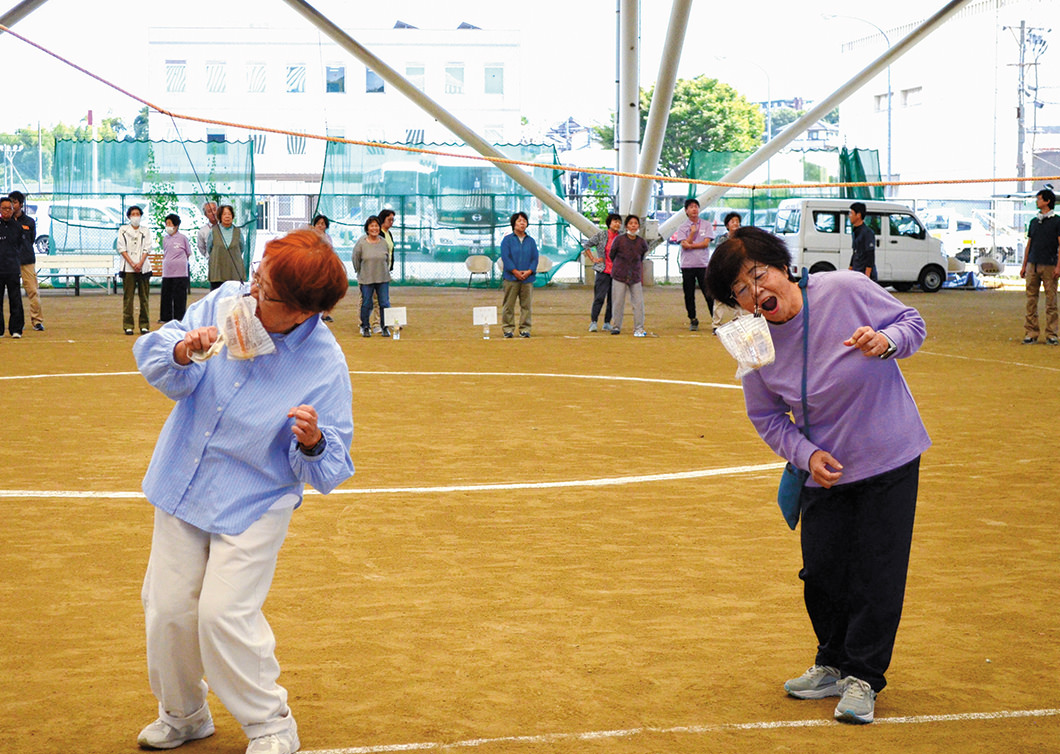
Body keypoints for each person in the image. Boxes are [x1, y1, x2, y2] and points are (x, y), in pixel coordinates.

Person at [132, 228, 354, 754]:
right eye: (257, 278)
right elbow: (160, 354)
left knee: (223, 613)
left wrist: (314, 441)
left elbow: (332, 468)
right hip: (184, 480)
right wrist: (185, 350)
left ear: (304, 312)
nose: (252, 294)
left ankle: (271, 724)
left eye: (267, 292)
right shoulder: (226, 302)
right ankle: (184, 715)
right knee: (167, 608)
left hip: (256, 498)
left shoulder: (325, 364)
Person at [705, 226, 930, 726]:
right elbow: (765, 416)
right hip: (823, 472)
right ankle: (831, 661)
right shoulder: (750, 339)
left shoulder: (844, 289)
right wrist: (806, 456)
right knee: (822, 573)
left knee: (877, 572)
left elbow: (911, 322)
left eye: (760, 275)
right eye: (740, 290)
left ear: (784, 268)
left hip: (888, 457)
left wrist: (887, 340)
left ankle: (864, 677)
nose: (757, 292)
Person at [1019, 188, 1060, 345]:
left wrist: (1058, 266)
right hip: (1033, 264)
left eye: (1039, 199)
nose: (1037, 201)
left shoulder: (1057, 221)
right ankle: (1031, 332)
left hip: (1049, 265)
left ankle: (1051, 334)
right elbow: (1029, 244)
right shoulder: (1034, 222)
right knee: (1031, 300)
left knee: (1051, 301)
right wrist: (1024, 265)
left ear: (1047, 201)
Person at [673, 198, 715, 331]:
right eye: (691, 207)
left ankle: (715, 320)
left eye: (696, 206)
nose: (694, 209)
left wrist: (691, 245)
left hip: (703, 265)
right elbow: (684, 245)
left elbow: (706, 243)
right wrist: (691, 233)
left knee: (708, 293)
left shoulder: (706, 225)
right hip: (687, 266)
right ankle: (693, 319)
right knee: (689, 294)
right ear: (686, 211)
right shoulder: (682, 227)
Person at [499, 210, 538, 338]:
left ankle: (525, 329)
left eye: (524, 221)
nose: (522, 223)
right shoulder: (507, 240)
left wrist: (529, 272)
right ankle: (508, 329)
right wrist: (515, 272)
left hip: (527, 279)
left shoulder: (531, 241)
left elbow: (535, 258)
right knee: (508, 305)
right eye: (519, 221)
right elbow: (506, 257)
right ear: (513, 224)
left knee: (526, 305)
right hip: (511, 278)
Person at [609, 214, 648, 337]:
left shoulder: (641, 242)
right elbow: (612, 255)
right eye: (631, 223)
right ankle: (616, 326)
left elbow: (641, 257)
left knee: (638, 303)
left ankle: (639, 328)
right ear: (626, 226)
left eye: (635, 223)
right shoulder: (619, 240)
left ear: (638, 226)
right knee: (618, 302)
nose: (633, 226)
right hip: (619, 274)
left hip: (635, 275)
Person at [582, 213, 622, 332]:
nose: (617, 224)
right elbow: (586, 245)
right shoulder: (601, 235)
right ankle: (593, 322)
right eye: (615, 221)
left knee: (612, 299)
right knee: (599, 297)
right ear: (609, 223)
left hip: (616, 272)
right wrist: (593, 259)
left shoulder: (621, 237)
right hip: (603, 270)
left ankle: (607, 322)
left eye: (619, 222)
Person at [9, 191, 43, 331]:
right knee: (12, 293)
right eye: (10, 202)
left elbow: (31, 240)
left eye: (15, 202)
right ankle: (15, 322)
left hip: (26, 261)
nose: (12, 205)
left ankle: (37, 321)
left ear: (21, 204)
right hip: (8, 262)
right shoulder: (5, 222)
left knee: (33, 291)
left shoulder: (29, 222)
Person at [352, 215, 391, 338]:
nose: (374, 228)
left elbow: (387, 260)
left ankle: (384, 327)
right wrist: (360, 272)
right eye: (372, 226)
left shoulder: (384, 243)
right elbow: (355, 259)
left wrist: (385, 271)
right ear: (367, 228)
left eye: (376, 226)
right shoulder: (361, 243)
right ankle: (365, 327)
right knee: (366, 303)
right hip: (366, 278)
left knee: (384, 303)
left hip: (383, 278)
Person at [117, 205, 152, 335]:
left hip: (143, 268)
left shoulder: (145, 231)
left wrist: (140, 263)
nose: (136, 216)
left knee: (144, 298)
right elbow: (121, 248)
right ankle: (128, 325)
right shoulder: (123, 230)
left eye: (138, 214)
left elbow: (147, 248)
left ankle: (144, 325)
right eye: (133, 214)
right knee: (128, 298)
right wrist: (132, 263)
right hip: (128, 268)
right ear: (129, 216)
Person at [710, 211, 744, 332]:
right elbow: (719, 255)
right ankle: (716, 324)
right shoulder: (722, 239)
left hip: (738, 272)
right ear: (727, 225)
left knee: (739, 297)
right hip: (724, 272)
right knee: (719, 299)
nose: (735, 224)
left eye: (737, 222)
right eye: (732, 221)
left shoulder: (742, 239)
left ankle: (739, 322)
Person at [159, 213, 192, 323]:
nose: (167, 226)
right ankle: (165, 317)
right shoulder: (165, 239)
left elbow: (188, 253)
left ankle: (179, 317)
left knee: (179, 296)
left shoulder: (183, 238)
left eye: (170, 223)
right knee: (166, 295)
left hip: (180, 272)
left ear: (176, 225)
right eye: (166, 224)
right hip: (167, 272)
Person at [0, 197, 24, 338]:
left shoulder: (17, 227)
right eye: (4, 208)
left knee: (15, 299)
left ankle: (16, 329)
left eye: (9, 208)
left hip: (13, 269)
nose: (7, 211)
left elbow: (21, 245)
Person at [370, 209, 396, 334]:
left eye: (393, 220)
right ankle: (375, 324)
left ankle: (388, 321)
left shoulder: (388, 233)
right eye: (389, 219)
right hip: (374, 272)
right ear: (383, 220)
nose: (392, 222)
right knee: (374, 300)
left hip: (385, 271)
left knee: (383, 299)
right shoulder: (378, 234)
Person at [208, 204, 244, 290]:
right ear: (220, 216)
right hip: (217, 270)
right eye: (224, 214)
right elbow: (209, 248)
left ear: (232, 216)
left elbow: (241, 248)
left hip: (234, 271)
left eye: (229, 214)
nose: (227, 216)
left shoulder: (238, 231)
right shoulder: (213, 231)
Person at [311, 215, 335, 322]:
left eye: (323, 224)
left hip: (326, 268)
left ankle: (325, 314)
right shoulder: (310, 237)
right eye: (318, 223)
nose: (320, 226)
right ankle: (315, 315)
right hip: (314, 268)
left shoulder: (328, 238)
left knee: (327, 292)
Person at [848, 202, 877, 282]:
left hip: (865, 274)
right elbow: (855, 252)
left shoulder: (867, 232)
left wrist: (867, 276)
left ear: (858, 215)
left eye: (851, 213)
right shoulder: (855, 231)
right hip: (857, 272)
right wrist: (850, 269)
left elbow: (870, 255)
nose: (849, 216)